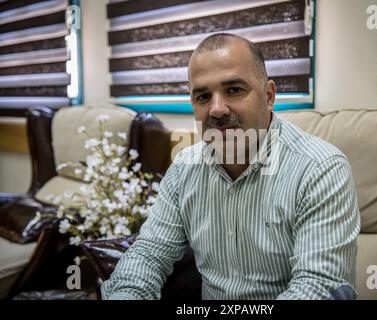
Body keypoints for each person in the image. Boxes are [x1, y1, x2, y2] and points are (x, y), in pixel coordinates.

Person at [101, 33, 361, 300]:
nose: (217, 110)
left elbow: (319, 287)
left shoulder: (320, 169)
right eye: (203, 96)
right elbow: (149, 255)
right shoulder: (184, 168)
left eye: (234, 90)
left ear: (269, 95)